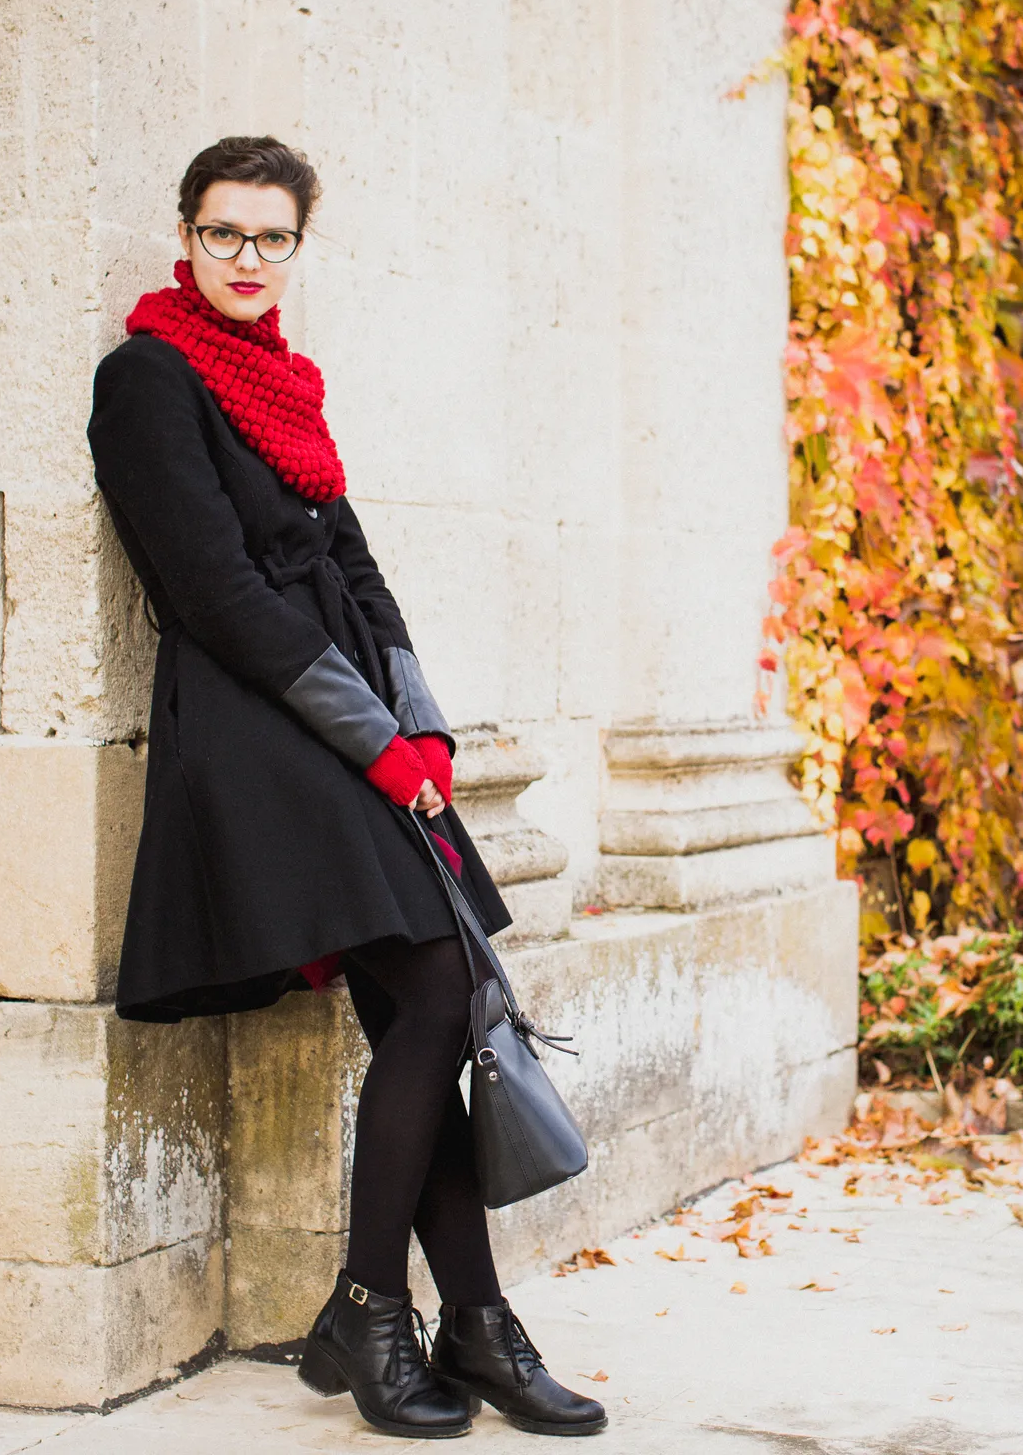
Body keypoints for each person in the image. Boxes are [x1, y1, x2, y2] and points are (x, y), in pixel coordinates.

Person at [87, 136, 605, 1441]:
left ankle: (467, 1326)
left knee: (422, 1013)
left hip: (348, 726)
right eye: (224, 235)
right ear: (187, 237)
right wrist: (373, 741)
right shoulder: (147, 379)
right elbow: (216, 593)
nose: (248, 260)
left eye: (272, 239)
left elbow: (359, 572)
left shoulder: (286, 383)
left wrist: (422, 733)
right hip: (255, 729)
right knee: (435, 983)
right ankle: (378, 1312)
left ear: (298, 249)